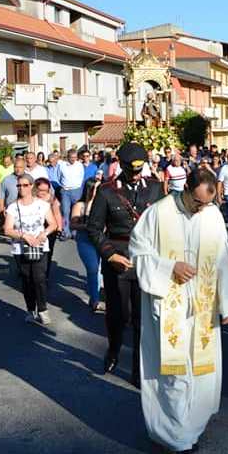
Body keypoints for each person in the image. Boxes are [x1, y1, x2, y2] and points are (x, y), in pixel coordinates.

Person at [130, 169, 228, 454]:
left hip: (203, 308)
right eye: (197, 202)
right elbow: (138, 252)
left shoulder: (211, 215)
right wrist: (170, 267)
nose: (200, 209)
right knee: (175, 373)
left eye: (206, 203)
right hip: (169, 306)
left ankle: (192, 428)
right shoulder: (158, 213)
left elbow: (222, 258)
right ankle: (179, 442)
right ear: (186, 189)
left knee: (202, 373)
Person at [87, 143, 164, 384]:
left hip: (146, 260)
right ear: (121, 165)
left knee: (143, 317)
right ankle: (113, 348)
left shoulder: (155, 189)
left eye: (139, 170)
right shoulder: (107, 191)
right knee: (119, 315)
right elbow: (94, 228)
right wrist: (109, 254)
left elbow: (164, 225)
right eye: (131, 170)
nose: (136, 175)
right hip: (118, 259)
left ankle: (138, 368)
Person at [3, 173, 57, 325]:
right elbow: (7, 229)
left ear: (31, 186)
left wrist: (43, 234)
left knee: (39, 278)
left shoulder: (42, 204)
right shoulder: (13, 207)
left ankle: (43, 309)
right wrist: (23, 236)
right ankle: (30, 309)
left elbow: (53, 224)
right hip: (21, 248)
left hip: (40, 247)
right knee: (27, 279)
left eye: (25, 185)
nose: (21, 188)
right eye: (19, 185)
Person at [71, 177, 104, 313]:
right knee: (93, 269)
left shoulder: (103, 204)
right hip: (85, 240)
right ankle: (95, 300)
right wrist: (87, 226)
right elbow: (73, 224)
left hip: (101, 239)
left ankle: (95, 296)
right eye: (96, 189)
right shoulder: (80, 205)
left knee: (102, 271)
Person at [35, 178, 64, 279]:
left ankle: (44, 275)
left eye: (45, 190)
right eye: (40, 190)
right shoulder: (31, 199)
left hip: (50, 228)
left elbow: (57, 213)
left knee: (47, 252)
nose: (43, 193)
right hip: (35, 228)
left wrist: (59, 227)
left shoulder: (52, 199)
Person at [58, 148, 85, 239]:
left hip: (76, 190)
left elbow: (82, 177)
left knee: (76, 213)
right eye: (71, 157)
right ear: (68, 157)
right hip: (65, 191)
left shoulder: (79, 165)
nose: (73, 159)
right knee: (65, 212)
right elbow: (59, 177)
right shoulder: (62, 165)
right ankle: (66, 232)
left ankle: (75, 232)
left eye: (75, 157)